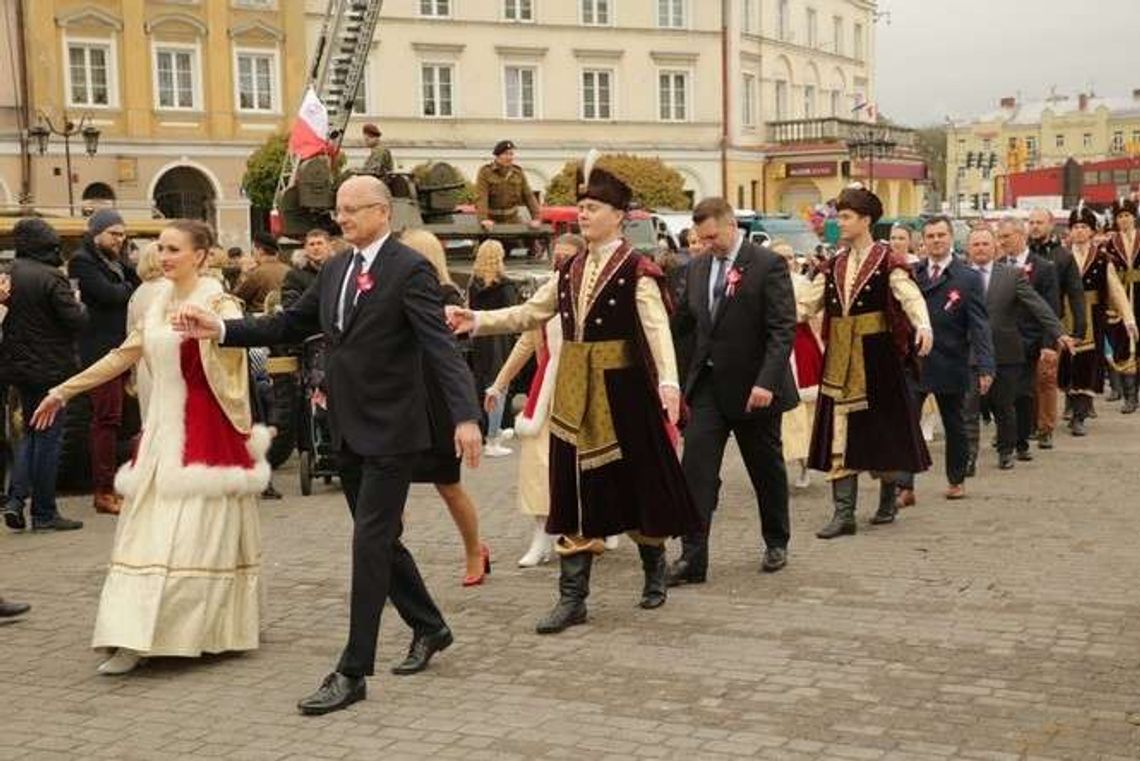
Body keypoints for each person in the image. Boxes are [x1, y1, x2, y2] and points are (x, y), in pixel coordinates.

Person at [174, 175, 482, 716]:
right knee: (380, 540)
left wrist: (466, 416)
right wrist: (220, 330)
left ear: (383, 212)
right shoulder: (336, 267)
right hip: (347, 426)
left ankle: (352, 670)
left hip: (394, 430)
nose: (341, 219)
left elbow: (440, 347)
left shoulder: (408, 269)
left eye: (352, 210)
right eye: (338, 210)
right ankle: (430, 626)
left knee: (368, 543)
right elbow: (289, 322)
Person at [447, 151, 700, 633]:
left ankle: (653, 570)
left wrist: (668, 380)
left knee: (636, 481)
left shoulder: (637, 268)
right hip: (574, 390)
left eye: (593, 209)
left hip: (624, 392)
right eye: (581, 208)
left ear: (618, 217)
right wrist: (476, 320)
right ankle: (573, 597)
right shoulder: (569, 268)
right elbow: (529, 314)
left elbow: (656, 330)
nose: (583, 214)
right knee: (573, 487)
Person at [31, 219, 268, 676]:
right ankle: (132, 635)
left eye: (174, 248)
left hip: (205, 434)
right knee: (146, 532)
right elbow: (122, 355)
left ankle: (203, 632)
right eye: (160, 247)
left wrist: (214, 329)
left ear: (200, 255)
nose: (163, 255)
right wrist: (64, 391)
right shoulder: (156, 304)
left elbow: (239, 352)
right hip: (161, 432)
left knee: (196, 535)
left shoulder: (220, 302)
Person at [665, 197, 797, 586]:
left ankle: (776, 541)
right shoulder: (698, 266)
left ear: (729, 226)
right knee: (696, 472)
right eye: (700, 239)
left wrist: (766, 382)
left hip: (754, 389)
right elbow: (683, 324)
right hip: (707, 387)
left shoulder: (767, 264)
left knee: (765, 470)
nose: (707, 245)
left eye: (711, 237)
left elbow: (781, 329)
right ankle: (693, 557)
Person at [796, 185, 934, 538]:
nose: (838, 223)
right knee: (839, 434)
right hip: (839, 357)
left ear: (866, 220)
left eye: (845, 217)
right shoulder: (833, 264)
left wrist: (924, 325)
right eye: (838, 216)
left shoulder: (888, 261)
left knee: (882, 431)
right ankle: (844, 513)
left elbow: (909, 296)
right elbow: (804, 306)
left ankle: (888, 499)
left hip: (878, 358)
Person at [487, 234, 586, 567]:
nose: (560, 263)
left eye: (567, 257)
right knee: (537, 465)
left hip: (584, 392)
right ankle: (541, 536)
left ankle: (596, 528)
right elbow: (526, 343)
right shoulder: (547, 295)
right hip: (545, 392)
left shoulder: (591, 294)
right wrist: (499, 385)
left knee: (585, 467)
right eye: (556, 257)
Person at [400, 228, 491, 586]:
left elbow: (449, 357)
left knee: (448, 484)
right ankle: (389, 559)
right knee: (390, 489)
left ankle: (474, 550)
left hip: (436, 400)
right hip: (402, 398)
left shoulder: (447, 295)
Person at [892, 217, 994, 509]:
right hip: (915, 363)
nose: (936, 240)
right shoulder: (911, 273)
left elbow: (980, 326)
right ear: (921, 241)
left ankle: (956, 479)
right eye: (930, 236)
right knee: (906, 423)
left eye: (941, 235)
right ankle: (904, 485)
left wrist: (986, 366)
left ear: (951, 238)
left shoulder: (968, 278)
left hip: (952, 362)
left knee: (955, 425)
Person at [0, 219, 88, 532]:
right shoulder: (52, 276)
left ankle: (15, 500)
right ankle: (44, 511)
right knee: (48, 438)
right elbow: (75, 320)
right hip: (51, 369)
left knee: (30, 435)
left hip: (17, 366)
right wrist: (80, 305)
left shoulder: (10, 272)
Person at [962, 227, 1068, 471]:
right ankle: (968, 456)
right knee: (969, 407)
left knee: (1004, 406)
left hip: (1006, 352)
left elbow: (1038, 305)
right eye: (975, 244)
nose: (980, 248)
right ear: (968, 249)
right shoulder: (960, 275)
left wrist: (1058, 332)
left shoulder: (1011, 275)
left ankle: (1006, 451)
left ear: (994, 247)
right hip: (969, 353)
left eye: (985, 244)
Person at [68, 208, 141, 515]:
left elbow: (136, 285)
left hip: (124, 348)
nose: (119, 239)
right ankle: (103, 490)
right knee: (106, 420)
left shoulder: (118, 261)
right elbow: (110, 295)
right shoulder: (83, 261)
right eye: (114, 233)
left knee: (127, 420)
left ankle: (125, 485)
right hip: (101, 351)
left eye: (122, 234)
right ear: (96, 233)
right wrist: (127, 288)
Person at [1058, 204, 1137, 435]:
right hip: (1065, 315)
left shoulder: (1103, 258)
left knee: (1089, 364)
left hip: (1093, 316)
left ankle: (1080, 414)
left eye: (1084, 227)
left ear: (1092, 231)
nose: (1080, 231)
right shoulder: (1060, 257)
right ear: (1070, 231)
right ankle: (1071, 402)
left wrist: (1129, 318)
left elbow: (1116, 290)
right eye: (1076, 227)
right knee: (1067, 363)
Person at [996, 217, 1059, 457]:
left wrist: (1048, 343)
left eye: (1006, 237)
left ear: (1021, 236)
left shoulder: (1043, 267)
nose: (1002, 243)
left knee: (1023, 393)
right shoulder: (998, 265)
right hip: (1001, 339)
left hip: (1029, 341)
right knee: (1001, 394)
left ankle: (1021, 442)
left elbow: (1049, 308)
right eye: (999, 238)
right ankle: (1006, 438)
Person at [1026, 208, 1084, 449]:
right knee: (1023, 380)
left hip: (1049, 325)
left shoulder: (1063, 257)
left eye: (1040, 222)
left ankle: (1045, 428)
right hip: (1020, 325)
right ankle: (1026, 424)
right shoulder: (1022, 254)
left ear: (1051, 225)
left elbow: (1075, 293)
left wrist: (1080, 328)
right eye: (1031, 222)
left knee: (1046, 378)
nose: (1035, 226)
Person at [771, 241, 824, 490]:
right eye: (781, 257)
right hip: (774, 350)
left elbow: (810, 312)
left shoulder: (803, 284)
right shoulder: (763, 283)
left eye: (790, 257)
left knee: (805, 412)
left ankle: (805, 464)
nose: (787, 262)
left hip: (801, 348)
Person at [467, 239, 520, 456]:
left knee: (481, 385)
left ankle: (483, 429)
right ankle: (494, 436)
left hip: (480, 338)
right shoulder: (505, 285)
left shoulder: (473, 283)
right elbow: (513, 313)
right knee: (499, 385)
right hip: (499, 339)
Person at [1104, 198, 1140, 413]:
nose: (1124, 220)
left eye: (1127, 215)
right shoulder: (1110, 244)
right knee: (1124, 345)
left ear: (1134, 217)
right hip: (1120, 297)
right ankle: (1130, 396)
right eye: (1120, 216)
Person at [125, 242, 165, 415]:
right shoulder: (168, 289)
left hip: (143, 364)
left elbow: (130, 331)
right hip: (165, 366)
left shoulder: (138, 292)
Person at [474, 140, 542, 231]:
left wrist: (536, 218)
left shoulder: (518, 172)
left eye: (511, 154)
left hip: (513, 221)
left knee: (523, 243)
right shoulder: (486, 172)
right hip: (492, 223)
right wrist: (483, 219)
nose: (509, 157)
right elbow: (481, 198)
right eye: (506, 154)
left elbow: (528, 196)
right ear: (497, 156)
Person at [233, 233, 289, 313]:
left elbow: (238, 298)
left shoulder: (258, 273)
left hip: (261, 318)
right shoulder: (289, 270)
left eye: (253, 250)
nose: (253, 254)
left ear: (260, 251)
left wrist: (243, 275)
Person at [282, 229, 333, 308]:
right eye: (311, 244)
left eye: (320, 243)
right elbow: (290, 307)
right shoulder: (294, 276)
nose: (316, 248)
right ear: (306, 249)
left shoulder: (339, 272)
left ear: (329, 246)